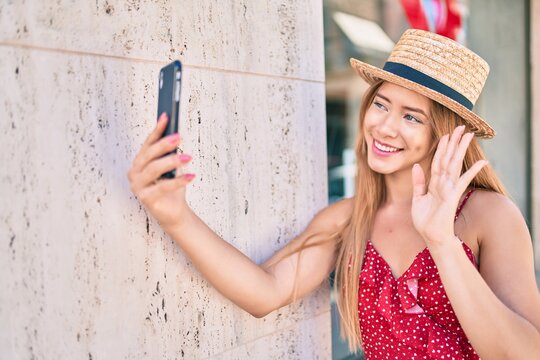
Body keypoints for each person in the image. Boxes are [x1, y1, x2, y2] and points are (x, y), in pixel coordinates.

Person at [127, 29, 540, 358]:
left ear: (444, 135)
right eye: (381, 104)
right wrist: (176, 217)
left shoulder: (489, 215)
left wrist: (442, 242)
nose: (385, 126)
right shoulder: (348, 219)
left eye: (412, 116)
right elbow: (264, 292)